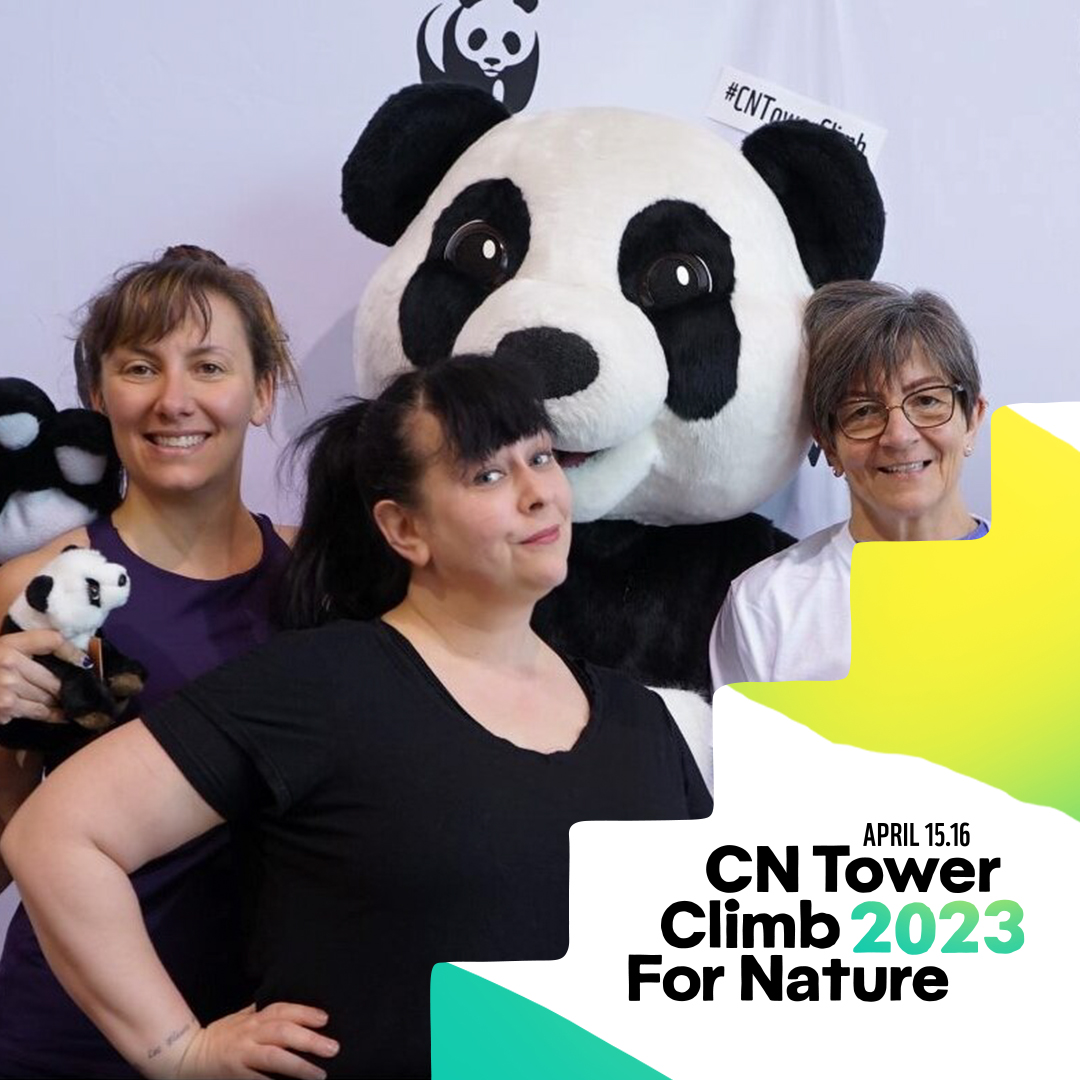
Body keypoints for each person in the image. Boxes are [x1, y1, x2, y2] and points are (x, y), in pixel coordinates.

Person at [3, 354, 711, 1080]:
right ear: (404, 529)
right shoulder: (321, 683)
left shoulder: (640, 721)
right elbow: (57, 835)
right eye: (488, 475)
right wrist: (179, 1050)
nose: (537, 494)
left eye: (540, 457)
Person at [0, 245, 298, 1077]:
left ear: (262, 391)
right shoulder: (32, 590)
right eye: (140, 367)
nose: (175, 401)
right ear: (99, 394)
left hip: (274, 1032)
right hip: (71, 1043)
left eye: (208, 366)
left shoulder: (325, 585)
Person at [710, 281, 988, 687]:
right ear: (829, 446)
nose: (899, 435)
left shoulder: (1053, 584)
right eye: (863, 412)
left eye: (927, 400)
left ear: (973, 420)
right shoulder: (766, 605)